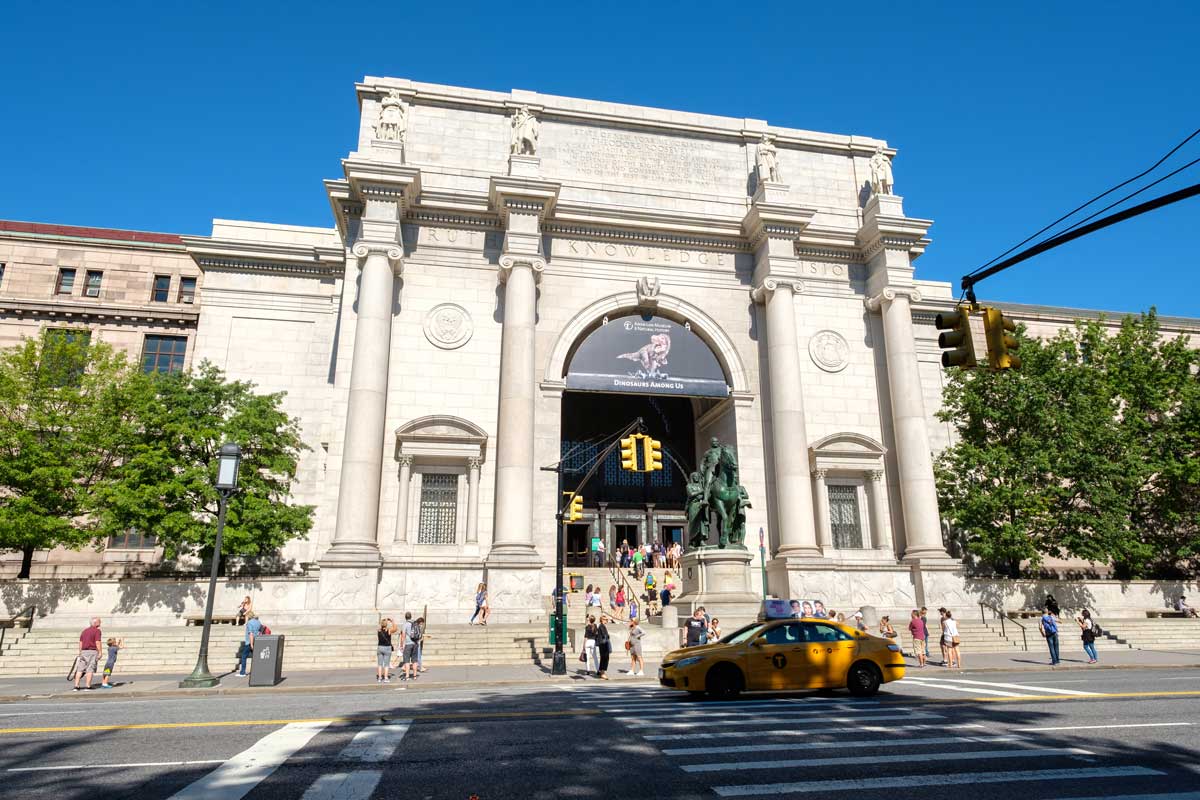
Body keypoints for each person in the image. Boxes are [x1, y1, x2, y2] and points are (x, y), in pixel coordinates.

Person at [72, 618, 103, 691]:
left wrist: (80, 652)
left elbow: (81, 642)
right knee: (90, 669)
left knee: (80, 669)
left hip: (83, 651)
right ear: (95, 623)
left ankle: (76, 686)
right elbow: (97, 642)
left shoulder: (84, 631)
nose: (100, 623)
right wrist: (100, 652)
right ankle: (87, 686)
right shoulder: (97, 631)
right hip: (92, 651)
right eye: (99, 622)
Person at [401, 613, 420, 681]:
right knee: (415, 661)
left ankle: (407, 676)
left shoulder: (405, 624)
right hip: (415, 643)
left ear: (405, 617)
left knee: (407, 661)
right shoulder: (415, 623)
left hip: (408, 644)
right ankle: (415, 676)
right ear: (411, 617)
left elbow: (403, 635)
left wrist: (401, 645)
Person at [376, 618, 393, 683]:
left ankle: (380, 678)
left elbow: (380, 627)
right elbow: (395, 628)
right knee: (386, 664)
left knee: (380, 664)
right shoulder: (388, 631)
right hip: (387, 648)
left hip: (380, 647)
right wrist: (392, 621)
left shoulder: (379, 631)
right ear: (386, 624)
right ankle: (386, 678)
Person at [596, 615, 612, 680]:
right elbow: (604, 635)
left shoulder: (602, 626)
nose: (606, 621)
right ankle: (602, 673)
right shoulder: (601, 626)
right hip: (603, 644)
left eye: (607, 620)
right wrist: (608, 636)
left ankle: (600, 671)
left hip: (602, 644)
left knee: (604, 658)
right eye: (605, 619)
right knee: (605, 658)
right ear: (602, 620)